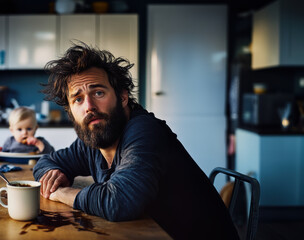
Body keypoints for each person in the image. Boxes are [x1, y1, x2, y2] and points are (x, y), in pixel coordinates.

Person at [33, 43, 239, 239]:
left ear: (122, 97)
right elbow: (46, 161)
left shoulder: (144, 130)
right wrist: (53, 176)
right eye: (77, 99)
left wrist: (61, 193)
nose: (89, 106)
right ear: (70, 112)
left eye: (98, 92)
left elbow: (120, 202)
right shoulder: (94, 139)